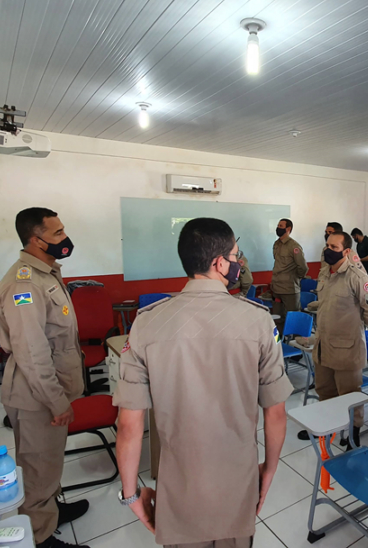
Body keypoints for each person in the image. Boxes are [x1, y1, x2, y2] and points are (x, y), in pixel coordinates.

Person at [113, 218, 292, 548]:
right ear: (220, 263)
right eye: (236, 256)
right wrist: (267, 471)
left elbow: (128, 425)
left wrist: (131, 494)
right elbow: (276, 413)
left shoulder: (146, 323)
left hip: (179, 489)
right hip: (237, 486)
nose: (238, 263)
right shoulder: (258, 320)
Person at [0, 208, 89, 548]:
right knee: (36, 469)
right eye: (57, 233)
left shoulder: (46, 274)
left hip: (47, 390)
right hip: (37, 396)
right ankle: (39, 535)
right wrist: (56, 401)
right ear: (36, 239)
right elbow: (32, 354)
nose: (65, 238)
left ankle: (51, 511)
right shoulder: (25, 284)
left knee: (49, 460)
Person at [296, 231, 368, 443]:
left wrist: (359, 327)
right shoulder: (326, 273)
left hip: (346, 347)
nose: (328, 250)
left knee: (350, 394)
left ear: (346, 251)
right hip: (323, 343)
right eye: (327, 245)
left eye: (334, 247)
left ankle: (353, 434)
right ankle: (325, 427)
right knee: (324, 389)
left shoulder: (357, 277)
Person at [271, 218, 308, 331]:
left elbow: (303, 267)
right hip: (277, 288)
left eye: (281, 226)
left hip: (289, 289)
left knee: (294, 319)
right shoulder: (276, 244)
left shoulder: (294, 246)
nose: (278, 228)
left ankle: (296, 343)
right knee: (277, 319)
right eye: (278, 225)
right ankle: (278, 344)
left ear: (288, 229)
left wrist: (294, 278)